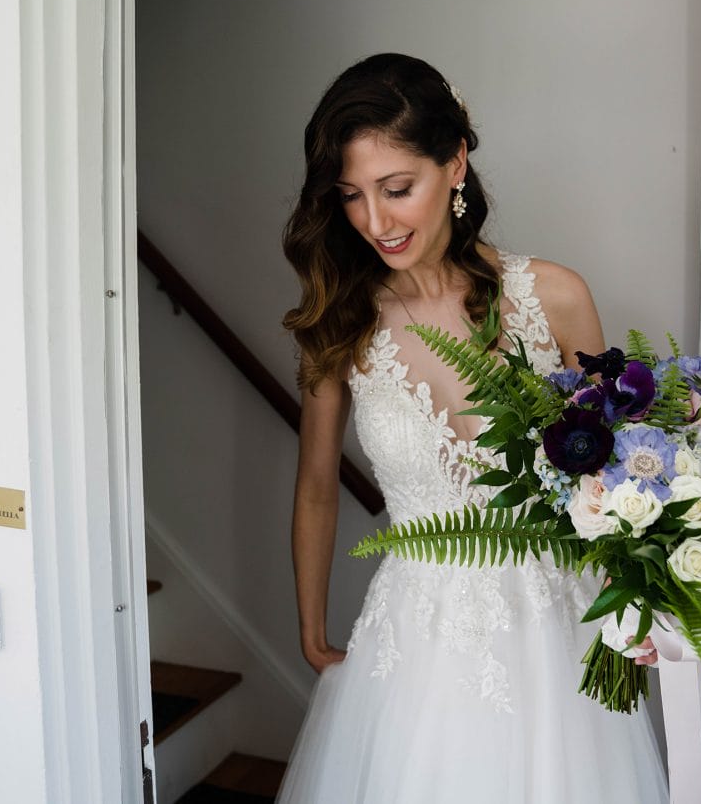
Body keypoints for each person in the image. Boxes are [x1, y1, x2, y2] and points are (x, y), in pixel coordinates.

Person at [276, 53, 668, 803]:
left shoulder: (554, 296)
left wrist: (640, 599)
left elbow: (621, 474)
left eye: (397, 189)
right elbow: (317, 483)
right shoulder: (340, 325)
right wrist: (309, 621)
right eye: (352, 196)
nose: (375, 221)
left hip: (561, 628)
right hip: (416, 643)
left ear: (455, 163)